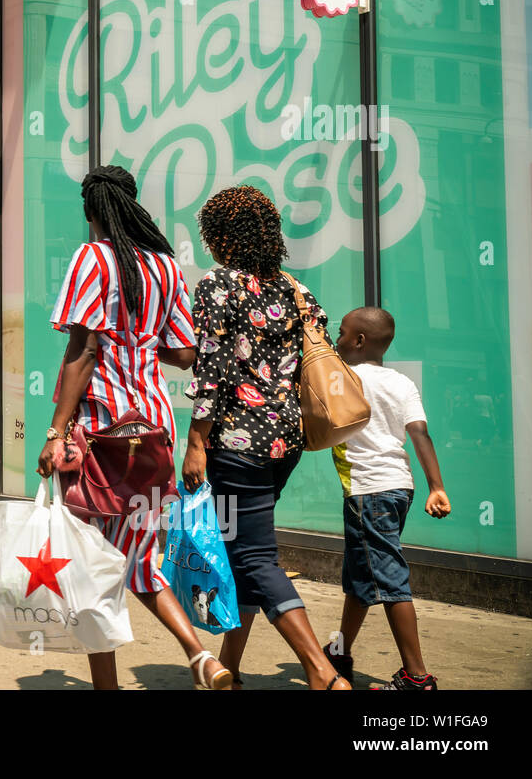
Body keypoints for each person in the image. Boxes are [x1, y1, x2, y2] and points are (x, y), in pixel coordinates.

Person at [39, 165, 232, 691]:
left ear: (91, 211)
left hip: (101, 431)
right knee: (141, 558)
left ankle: (107, 687)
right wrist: (140, 339)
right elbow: (187, 352)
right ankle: (202, 658)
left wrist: (56, 433)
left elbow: (83, 349)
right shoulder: (166, 266)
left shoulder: (92, 258)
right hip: (152, 430)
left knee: (90, 563)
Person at [181, 185, 350, 690]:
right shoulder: (297, 289)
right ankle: (229, 669)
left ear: (221, 236)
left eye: (209, 234)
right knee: (243, 552)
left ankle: (321, 672)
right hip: (286, 442)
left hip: (235, 442)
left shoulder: (219, 285)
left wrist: (195, 442)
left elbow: (211, 366)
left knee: (254, 557)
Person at [323, 306, 450, 690]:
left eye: (342, 332)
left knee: (389, 580)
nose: (337, 338)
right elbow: (419, 434)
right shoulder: (401, 383)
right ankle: (339, 653)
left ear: (359, 341)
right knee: (360, 578)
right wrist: (437, 486)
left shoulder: (342, 378)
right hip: (398, 486)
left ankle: (417, 677)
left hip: (368, 491)